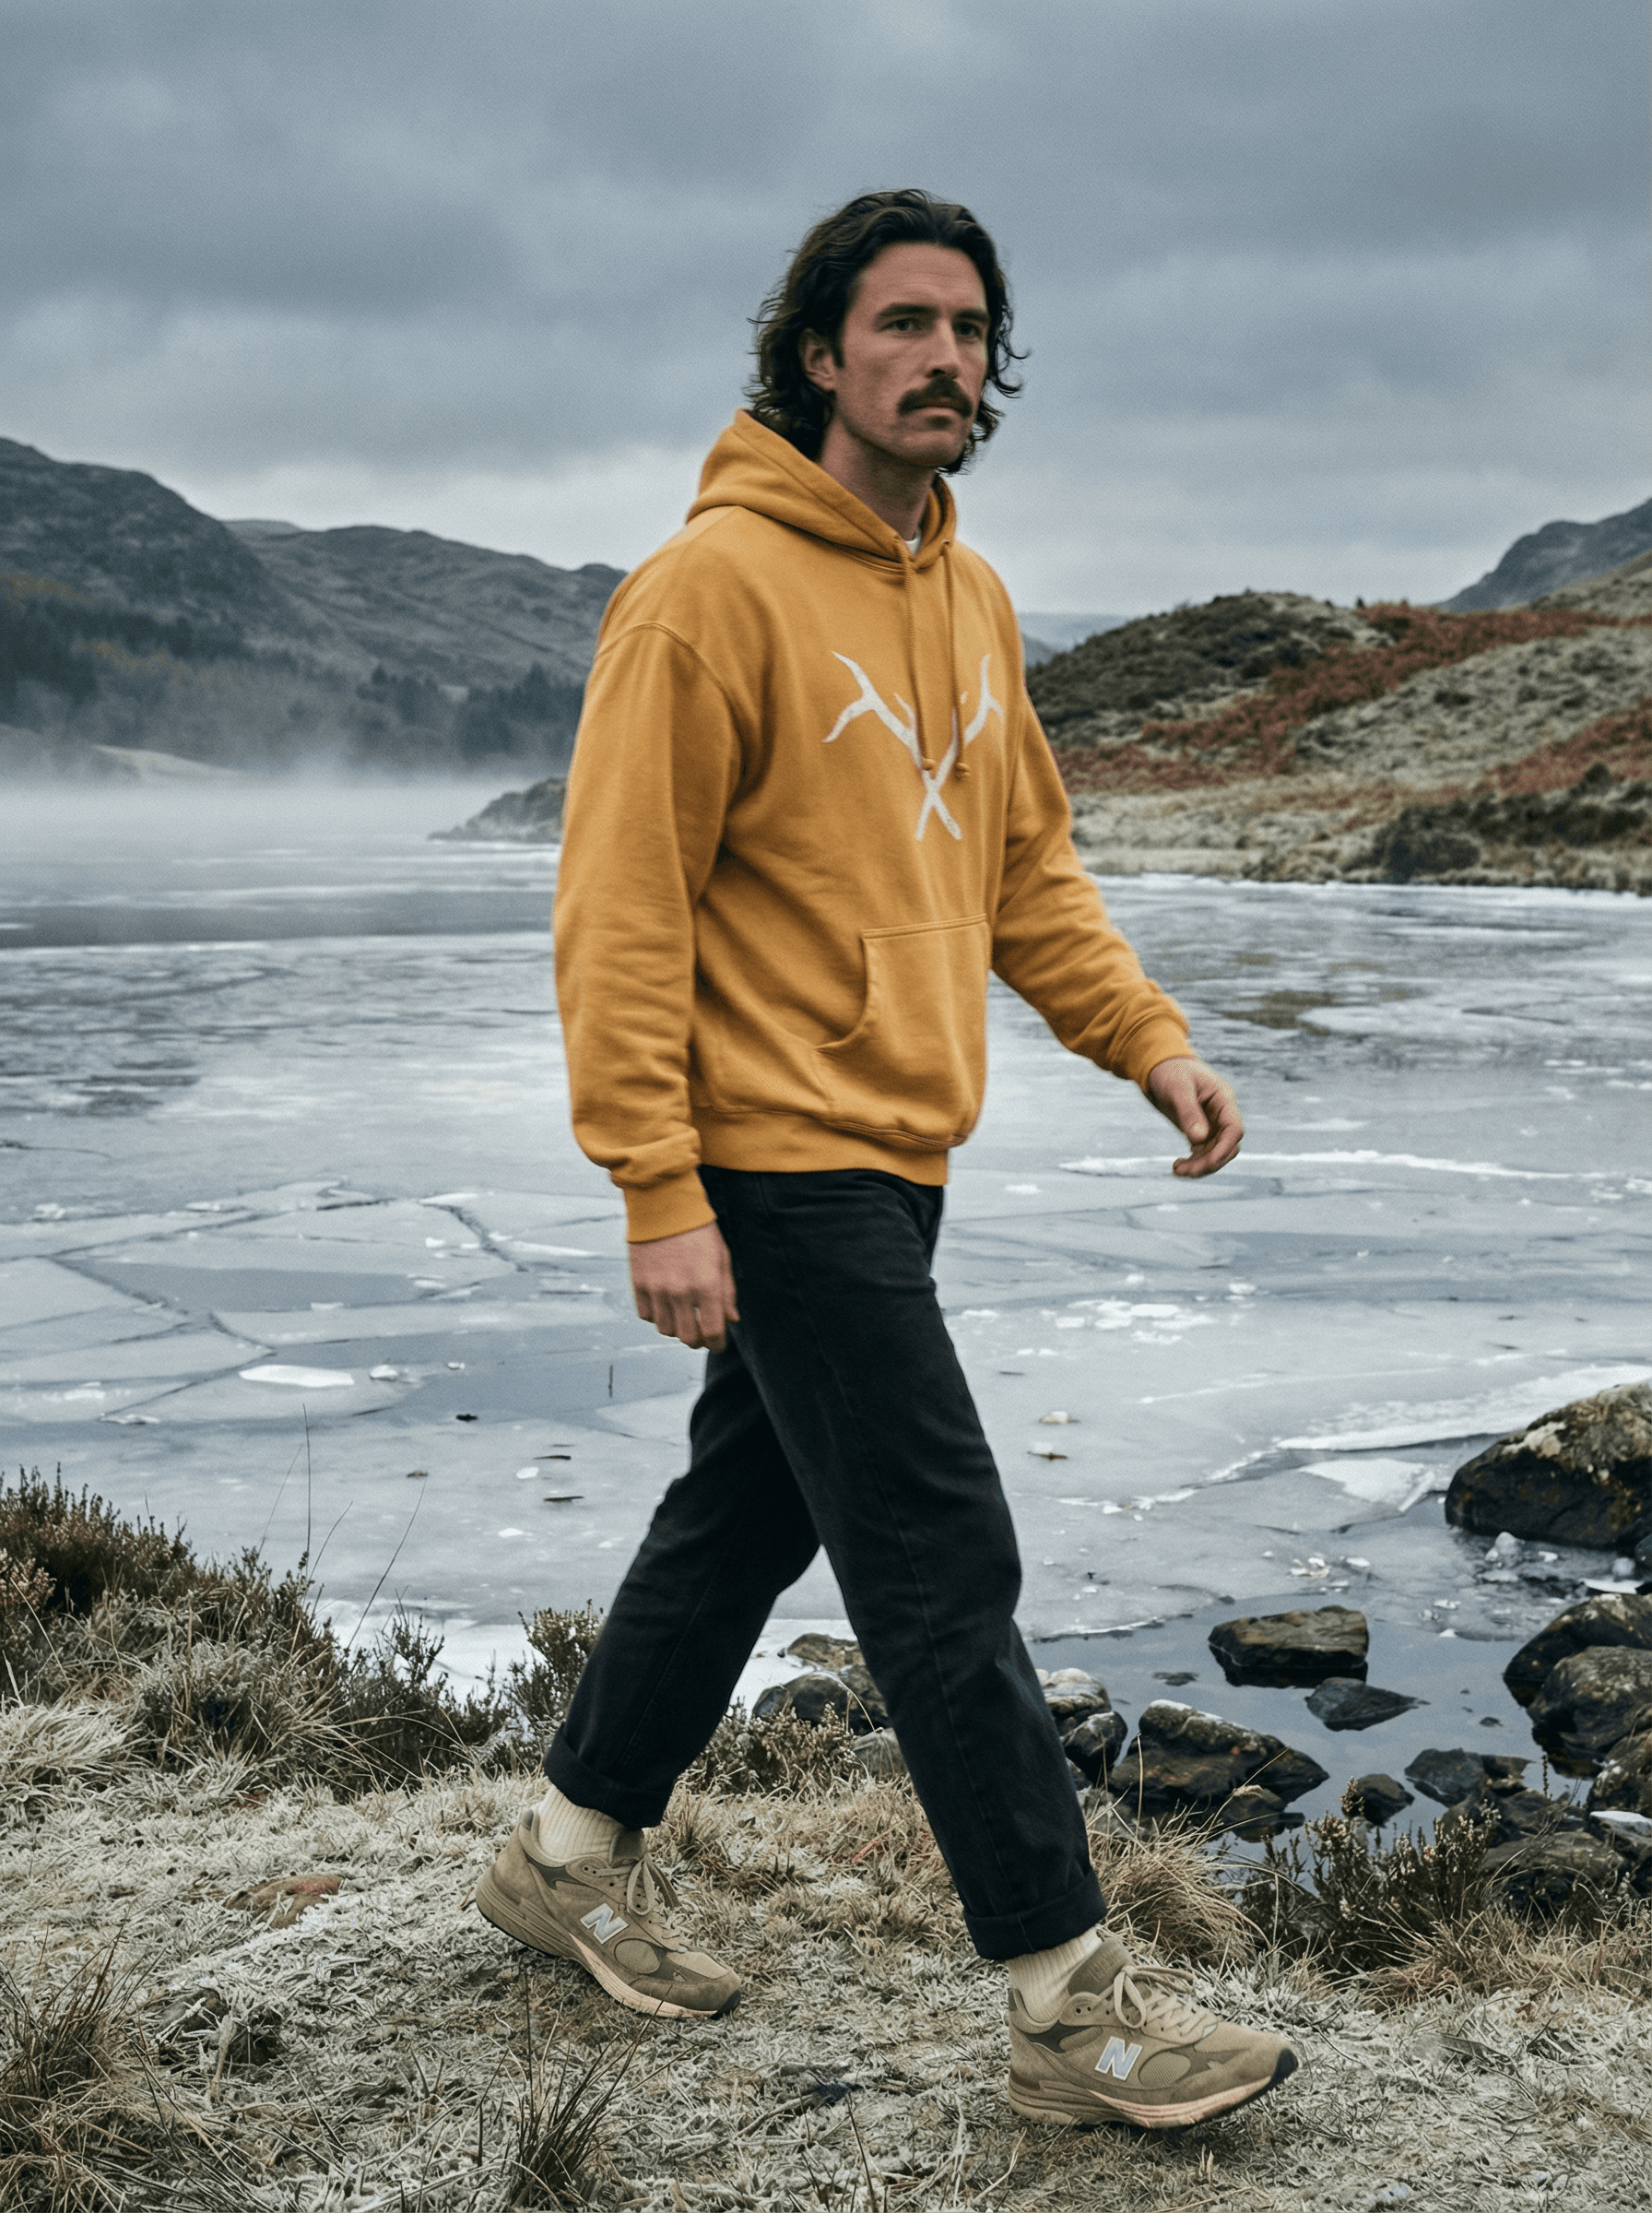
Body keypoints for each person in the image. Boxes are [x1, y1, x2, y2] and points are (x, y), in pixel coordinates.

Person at [478, 188, 1299, 2131]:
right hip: (775, 1160)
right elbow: (618, 914)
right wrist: (655, 1186)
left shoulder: (971, 597)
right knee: (937, 1557)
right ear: (817, 354)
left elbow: (1025, 874)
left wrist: (1146, 1040)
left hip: (897, 1152)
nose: (943, 359)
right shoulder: (704, 594)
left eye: (969, 329)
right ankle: (1067, 2011)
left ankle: (567, 1855)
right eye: (904, 324)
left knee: (741, 1518)